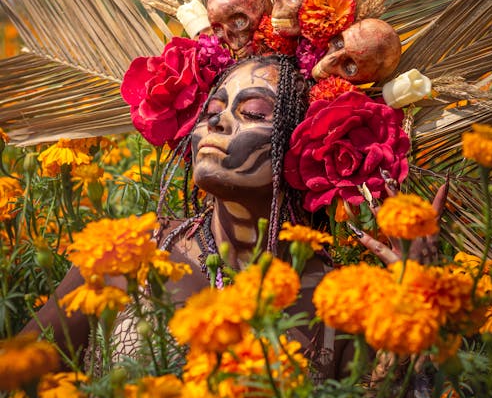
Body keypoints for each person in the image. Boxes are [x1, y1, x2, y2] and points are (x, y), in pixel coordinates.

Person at [23, 54, 355, 379]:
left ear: (306, 140)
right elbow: (16, 374)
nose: (216, 121)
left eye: (254, 112)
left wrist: (407, 287)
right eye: (211, 110)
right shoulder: (131, 250)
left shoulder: (339, 301)